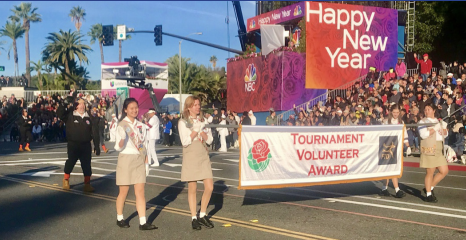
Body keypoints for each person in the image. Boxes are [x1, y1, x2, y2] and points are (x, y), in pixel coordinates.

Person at [114, 98, 157, 230]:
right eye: (131, 108)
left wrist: (146, 162)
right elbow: (118, 147)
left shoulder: (141, 125)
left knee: (140, 192)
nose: (134, 110)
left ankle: (143, 222)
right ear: (125, 110)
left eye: (136, 107)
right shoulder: (122, 125)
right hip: (126, 159)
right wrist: (122, 138)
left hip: (139, 159)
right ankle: (120, 218)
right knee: (124, 192)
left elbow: (144, 144)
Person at [178, 96, 214, 230]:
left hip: (203, 154)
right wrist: (195, 130)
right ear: (188, 107)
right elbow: (185, 141)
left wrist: (202, 130)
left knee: (209, 187)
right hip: (191, 154)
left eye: (198, 105)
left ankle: (203, 214)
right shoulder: (183, 122)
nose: (197, 107)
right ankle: (194, 217)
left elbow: (210, 140)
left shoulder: (203, 120)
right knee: (192, 188)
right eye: (194, 105)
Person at [57, 93, 95, 192]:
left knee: (87, 165)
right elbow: (60, 114)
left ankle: (87, 184)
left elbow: (94, 131)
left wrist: (96, 145)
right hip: (73, 144)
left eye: (83, 104)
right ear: (76, 106)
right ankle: (66, 179)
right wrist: (63, 104)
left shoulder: (89, 117)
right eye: (80, 104)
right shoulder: (70, 115)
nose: (82, 106)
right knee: (70, 162)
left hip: (86, 144)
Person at [418, 104, 449, 203]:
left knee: (444, 171)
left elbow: (445, 134)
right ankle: (428, 194)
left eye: (429, 109)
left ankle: (430, 187)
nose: (427, 111)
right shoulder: (422, 122)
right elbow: (423, 135)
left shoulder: (438, 121)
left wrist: (443, 129)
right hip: (429, 147)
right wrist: (434, 129)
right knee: (430, 172)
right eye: (425, 109)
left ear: (434, 110)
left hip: (439, 148)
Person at [379, 104, 410, 198]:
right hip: (387, 147)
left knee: (393, 168)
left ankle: (386, 188)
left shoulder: (401, 122)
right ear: (391, 112)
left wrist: (408, 146)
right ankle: (396, 189)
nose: (396, 114)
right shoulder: (385, 122)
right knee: (389, 168)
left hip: (397, 148)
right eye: (394, 112)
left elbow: (405, 135)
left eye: (397, 112)